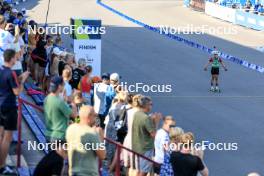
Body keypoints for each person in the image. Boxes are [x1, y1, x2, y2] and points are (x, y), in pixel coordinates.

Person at [0, 49, 30, 174]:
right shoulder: (11, 73)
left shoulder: (1, 70)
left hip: (0, 105)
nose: (16, 59)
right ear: (12, 58)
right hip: (9, 107)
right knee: (7, 138)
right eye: (15, 57)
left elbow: (6, 83)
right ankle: (2, 166)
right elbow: (17, 92)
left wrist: (18, 78)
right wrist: (22, 80)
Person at [66, 105, 106, 176]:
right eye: (94, 116)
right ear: (89, 117)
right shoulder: (92, 133)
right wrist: (101, 138)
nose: (95, 118)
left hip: (73, 172)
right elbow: (102, 155)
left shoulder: (70, 129)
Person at [131, 96, 162, 176]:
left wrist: (150, 119)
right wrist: (156, 122)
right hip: (145, 148)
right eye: (151, 104)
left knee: (139, 169)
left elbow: (143, 126)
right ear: (146, 106)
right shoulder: (145, 118)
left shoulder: (137, 113)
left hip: (137, 146)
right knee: (144, 171)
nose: (152, 106)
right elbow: (154, 134)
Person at [104, 91, 128, 173]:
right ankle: (110, 170)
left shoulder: (114, 104)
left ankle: (108, 167)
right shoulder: (124, 108)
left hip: (109, 128)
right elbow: (121, 122)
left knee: (110, 147)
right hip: (117, 130)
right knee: (117, 149)